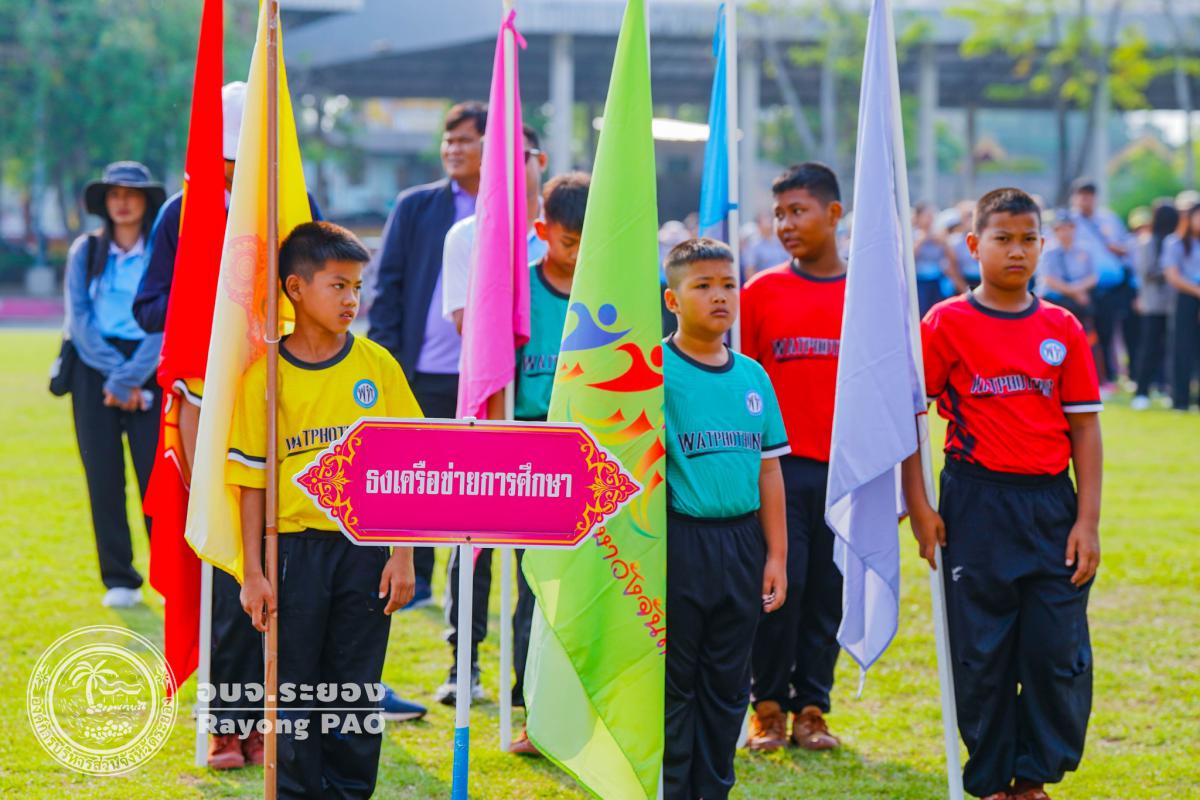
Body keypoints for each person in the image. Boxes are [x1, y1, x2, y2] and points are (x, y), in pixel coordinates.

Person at [903, 188, 1103, 800]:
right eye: (1002, 239)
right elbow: (910, 419)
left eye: (1028, 239)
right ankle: (990, 779)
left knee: (1055, 652)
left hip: (1050, 507)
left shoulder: (1061, 327)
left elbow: (1085, 428)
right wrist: (919, 506)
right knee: (981, 654)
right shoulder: (945, 323)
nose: (1017, 251)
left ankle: (1032, 778)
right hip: (976, 504)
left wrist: (1087, 521)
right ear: (973, 245)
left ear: (1042, 245)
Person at [233, 222, 421, 799]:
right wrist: (253, 572)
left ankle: (348, 792)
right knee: (294, 690)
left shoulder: (377, 366)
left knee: (355, 690)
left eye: (357, 287)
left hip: (364, 552)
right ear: (295, 287)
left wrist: (402, 556)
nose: (350, 300)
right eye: (337, 285)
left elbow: (408, 465)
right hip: (293, 552)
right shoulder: (266, 376)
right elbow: (251, 482)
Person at [433, 173, 589, 729]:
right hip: (514, 440)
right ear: (542, 231)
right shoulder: (517, 293)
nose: (580, 254)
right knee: (477, 557)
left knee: (542, 581)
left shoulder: (604, 293)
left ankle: (535, 696)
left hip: (574, 450)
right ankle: (464, 666)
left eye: (590, 242)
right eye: (570, 242)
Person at [661, 237, 789, 800]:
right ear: (672, 299)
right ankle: (672, 788)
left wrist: (776, 554)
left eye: (728, 285)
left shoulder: (753, 376)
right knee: (676, 682)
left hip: (741, 545)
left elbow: (769, 471)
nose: (719, 296)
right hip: (679, 543)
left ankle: (713, 787)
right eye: (703, 286)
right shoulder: (652, 371)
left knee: (728, 683)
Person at [741, 163, 847, 753]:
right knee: (780, 587)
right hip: (777, 470)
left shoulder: (866, 295)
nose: (785, 224)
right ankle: (767, 708)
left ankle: (812, 707)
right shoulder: (760, 292)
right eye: (778, 213)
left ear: (833, 214)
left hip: (845, 472)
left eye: (798, 211)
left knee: (828, 592)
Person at [369, 101, 487, 607]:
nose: (452, 149)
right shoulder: (416, 206)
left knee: (473, 488)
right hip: (420, 370)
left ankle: (468, 591)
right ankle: (415, 581)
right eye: (448, 139)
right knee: (416, 479)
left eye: (464, 140)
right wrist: (387, 361)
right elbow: (387, 285)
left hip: (484, 377)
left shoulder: (511, 209)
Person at [65, 160, 166, 608]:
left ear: (146, 201)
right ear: (104, 203)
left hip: (150, 365)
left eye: (132, 194)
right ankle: (120, 579)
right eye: (114, 194)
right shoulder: (86, 251)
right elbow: (79, 319)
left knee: (157, 479)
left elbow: (167, 319)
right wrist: (116, 375)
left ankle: (168, 575)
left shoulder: (163, 252)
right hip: (95, 368)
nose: (122, 202)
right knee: (103, 477)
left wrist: (130, 377)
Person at [441, 125, 549, 334]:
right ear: (484, 168)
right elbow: (465, 324)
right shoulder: (464, 236)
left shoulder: (565, 231)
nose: (509, 167)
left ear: (542, 161)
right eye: (498, 160)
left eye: (520, 157)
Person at [1070, 179, 1135, 389]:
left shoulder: (1108, 219)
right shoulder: (1070, 221)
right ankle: (1085, 375)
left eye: (1089, 196)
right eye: (1082, 196)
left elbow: (1126, 247)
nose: (1085, 200)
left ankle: (1108, 375)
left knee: (1107, 332)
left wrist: (1115, 247)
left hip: (1111, 287)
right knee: (1083, 335)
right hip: (1081, 288)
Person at [1131, 203, 1180, 410]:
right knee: (1149, 348)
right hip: (1153, 303)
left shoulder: (1176, 242)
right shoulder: (1148, 242)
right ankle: (1142, 390)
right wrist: (1169, 272)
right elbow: (1145, 272)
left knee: (1171, 349)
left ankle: (1167, 388)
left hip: (1173, 304)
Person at [1163, 201, 1200, 411]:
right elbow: (1172, 275)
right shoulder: (1175, 242)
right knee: (1182, 348)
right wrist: (1196, 291)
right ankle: (1180, 398)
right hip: (1185, 297)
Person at [1037, 213, 1097, 323]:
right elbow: (1050, 280)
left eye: (1069, 227)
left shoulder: (1084, 250)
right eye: (1061, 229)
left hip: (1080, 296)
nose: (1066, 232)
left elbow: (1093, 277)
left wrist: (1078, 289)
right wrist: (1074, 292)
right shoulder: (1048, 252)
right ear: (1055, 231)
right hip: (1055, 298)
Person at [740, 210, 790, 278]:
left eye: (769, 218)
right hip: (767, 282)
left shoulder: (781, 241)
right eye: (765, 219)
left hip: (785, 280)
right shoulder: (754, 245)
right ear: (758, 224)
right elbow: (749, 270)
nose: (769, 221)